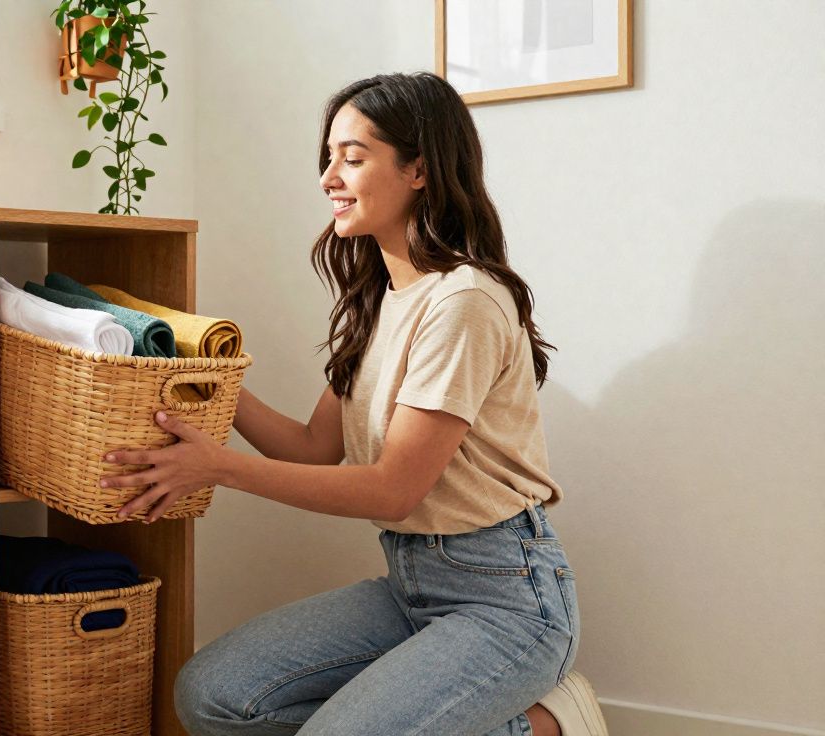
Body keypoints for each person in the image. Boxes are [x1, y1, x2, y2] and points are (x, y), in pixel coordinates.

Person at [98, 72, 609, 735]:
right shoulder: (380, 299)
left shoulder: (465, 302)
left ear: (419, 170)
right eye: (329, 157)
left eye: (353, 157)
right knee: (211, 694)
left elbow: (394, 490)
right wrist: (206, 381)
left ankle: (548, 724)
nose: (328, 177)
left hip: (508, 600)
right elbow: (312, 447)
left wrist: (217, 467)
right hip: (411, 585)